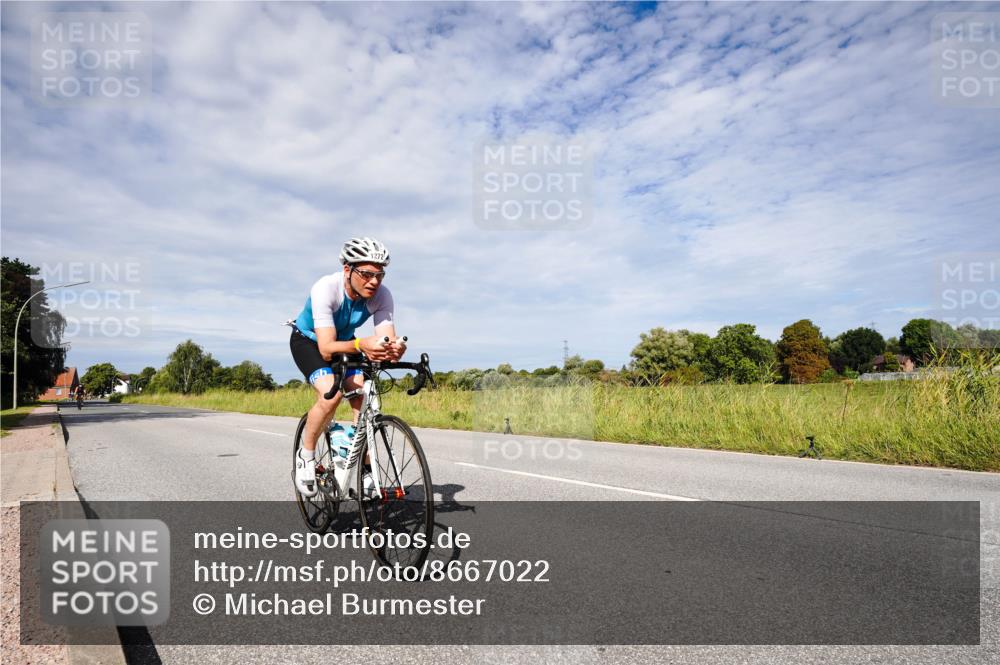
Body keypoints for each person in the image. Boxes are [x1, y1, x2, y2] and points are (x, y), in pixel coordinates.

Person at [288, 237, 405, 496]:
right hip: (310, 342)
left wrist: (394, 349)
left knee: (362, 400)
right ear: (347, 270)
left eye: (380, 275)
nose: (374, 281)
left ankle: (365, 471)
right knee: (331, 395)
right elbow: (326, 348)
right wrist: (362, 344)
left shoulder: (382, 296)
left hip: (345, 343)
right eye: (366, 274)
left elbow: (386, 339)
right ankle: (306, 456)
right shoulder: (326, 288)